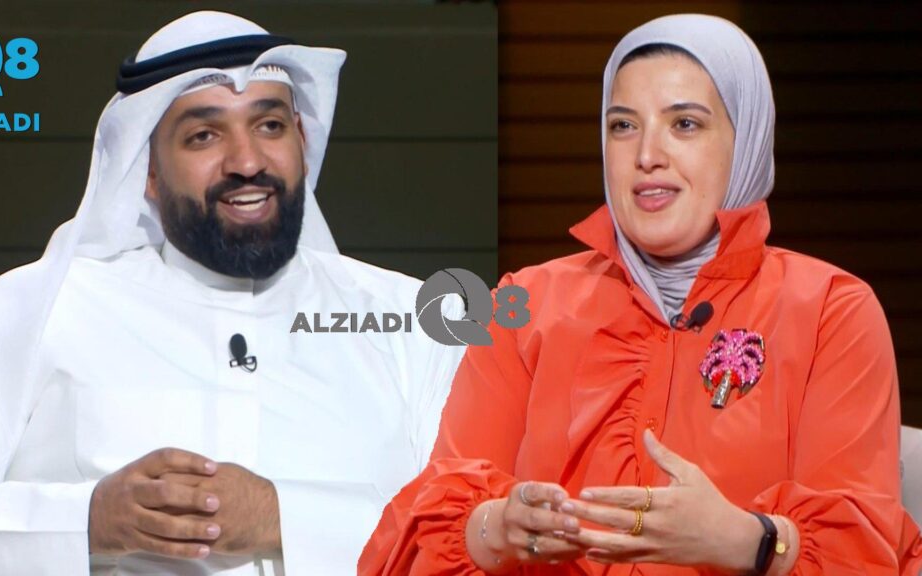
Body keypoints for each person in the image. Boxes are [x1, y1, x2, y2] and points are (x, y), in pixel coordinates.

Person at [0, 11, 465, 576]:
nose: (247, 162)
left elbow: (477, 522)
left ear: (302, 137)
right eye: (203, 136)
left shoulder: (411, 321)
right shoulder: (50, 306)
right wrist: (84, 522)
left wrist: (284, 519)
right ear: (147, 171)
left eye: (269, 125)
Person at [359, 14, 921, 575]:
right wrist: (494, 530)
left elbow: (859, 556)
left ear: (746, 140)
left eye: (685, 124)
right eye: (623, 125)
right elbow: (423, 532)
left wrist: (744, 541)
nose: (647, 154)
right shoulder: (524, 306)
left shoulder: (830, 311)